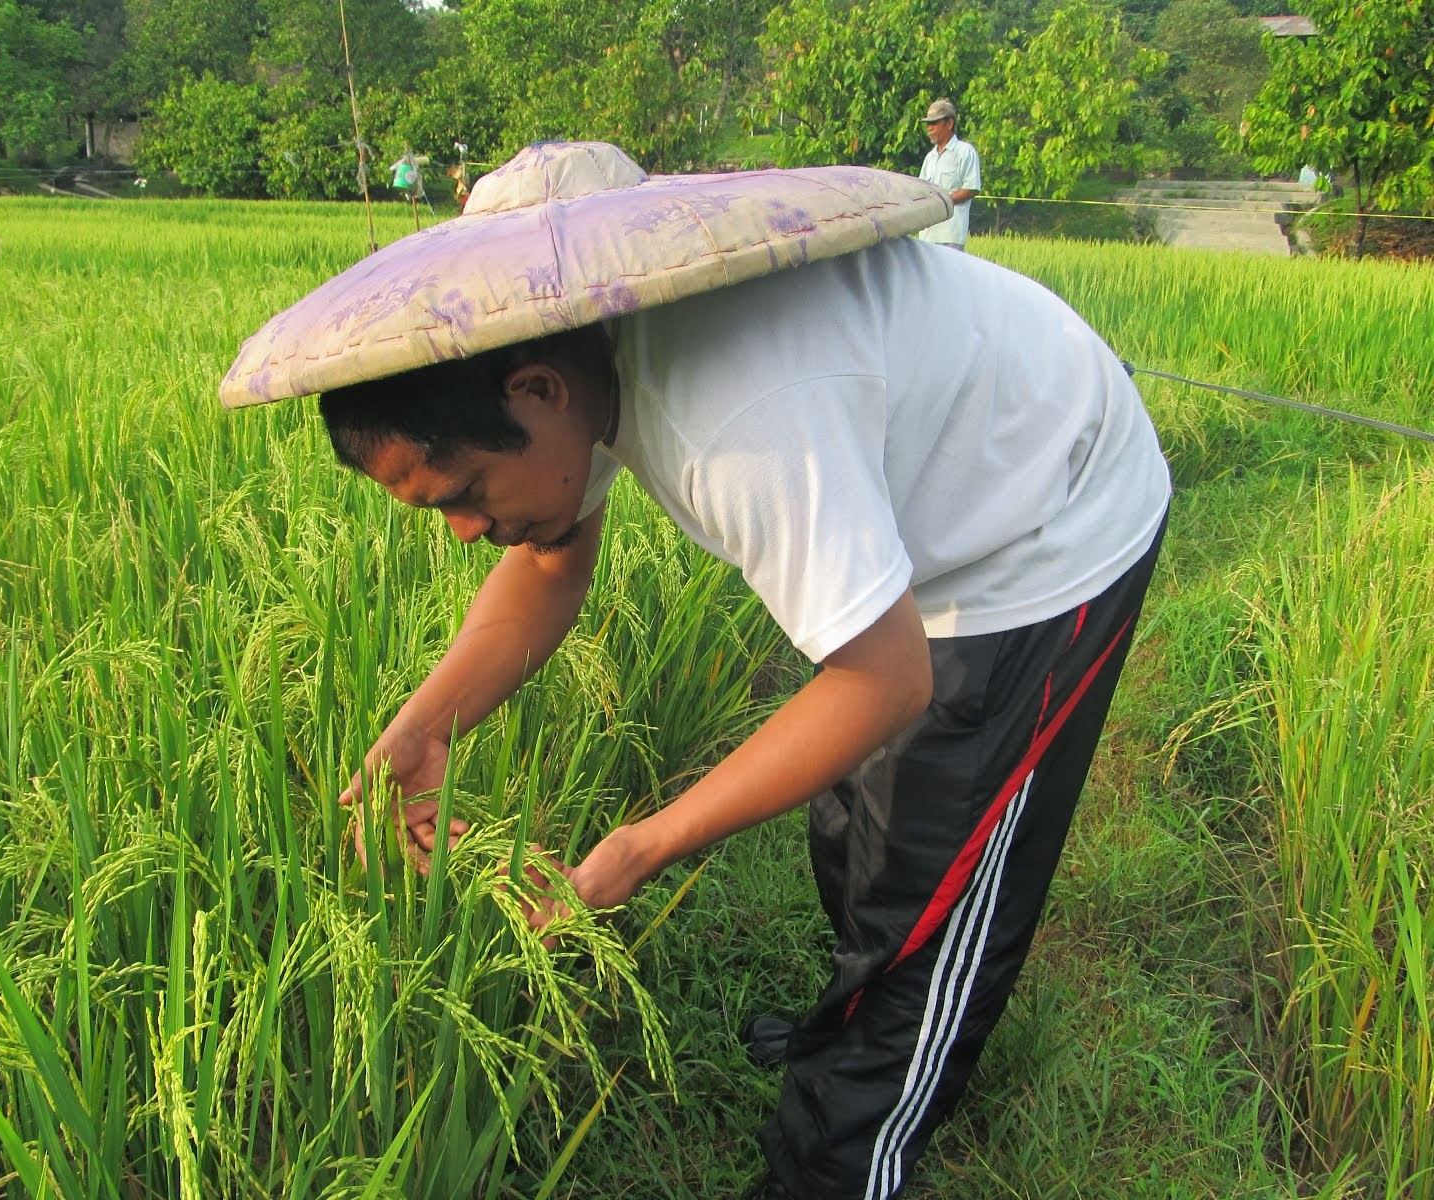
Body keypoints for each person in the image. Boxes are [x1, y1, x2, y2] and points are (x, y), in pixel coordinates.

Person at [223, 141, 1171, 1199]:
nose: (459, 530)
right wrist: (425, 725)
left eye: (463, 493)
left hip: (1043, 524)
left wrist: (638, 849)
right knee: (852, 823)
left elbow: (886, 682)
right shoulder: (586, 353)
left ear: (537, 388)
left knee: (929, 894)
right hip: (920, 505)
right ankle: (843, 1019)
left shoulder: (737, 419)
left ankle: (852, 1137)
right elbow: (548, 566)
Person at [916, 99, 981, 250]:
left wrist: (943, 201)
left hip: (951, 234)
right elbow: (921, 190)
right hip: (927, 235)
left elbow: (972, 188)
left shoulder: (965, 152)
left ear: (949, 123)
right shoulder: (930, 158)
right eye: (928, 124)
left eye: (934, 123)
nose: (930, 128)